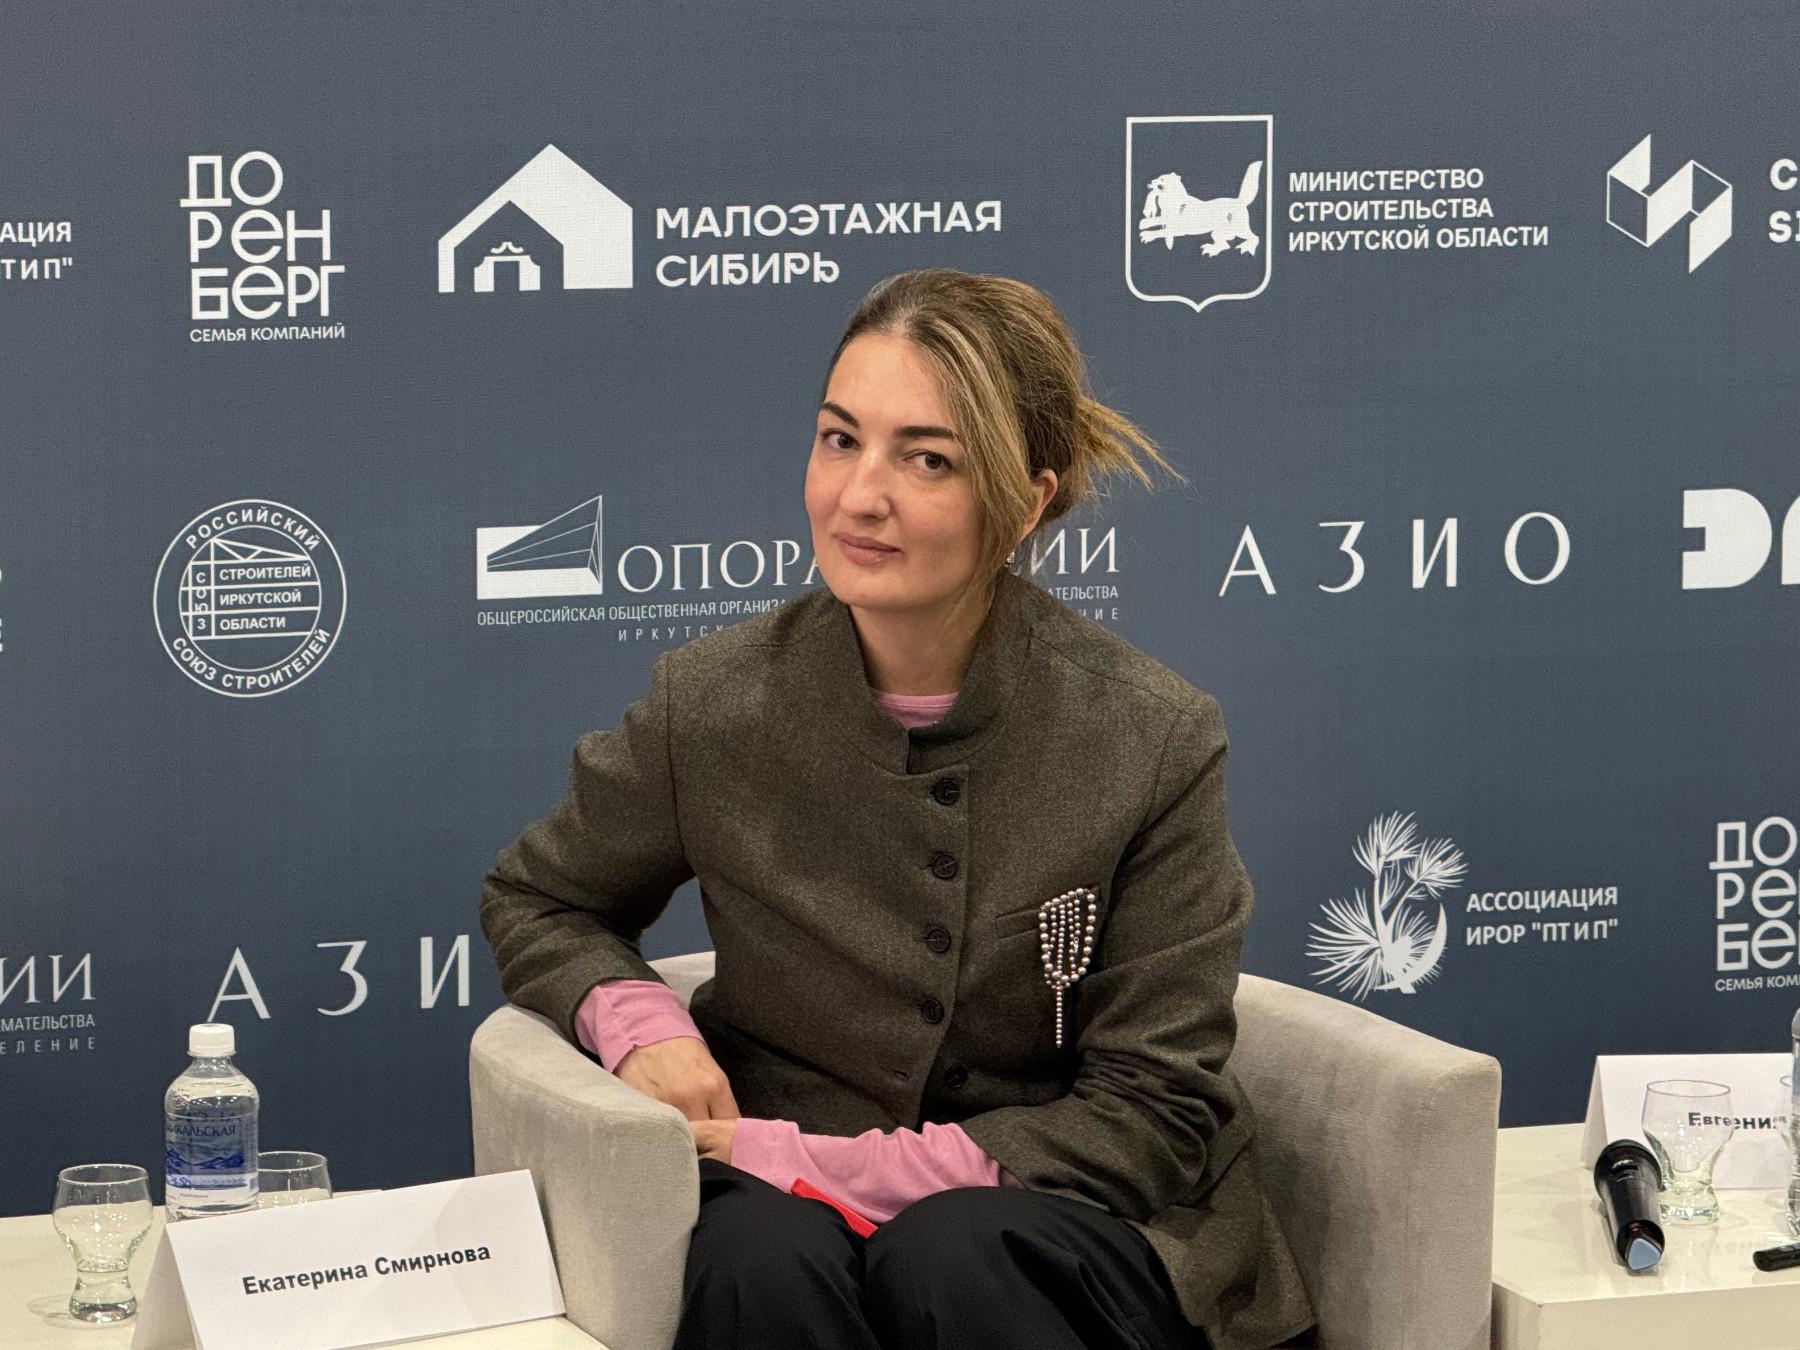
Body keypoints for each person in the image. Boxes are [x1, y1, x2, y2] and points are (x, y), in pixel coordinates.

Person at [479, 267, 1317, 1350]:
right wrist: (640, 1025)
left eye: (928, 460)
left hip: (1067, 1208)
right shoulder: (713, 702)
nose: (859, 496)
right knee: (756, 1260)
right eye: (840, 440)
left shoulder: (1150, 735)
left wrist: (815, 1161)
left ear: (1026, 502)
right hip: (770, 1192)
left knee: (953, 1251)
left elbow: (1152, 1107)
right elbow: (541, 898)